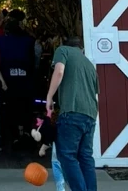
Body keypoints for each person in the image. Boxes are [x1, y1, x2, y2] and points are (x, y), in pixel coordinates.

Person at [45, 36, 99, 191]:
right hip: (90, 115)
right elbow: (94, 93)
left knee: (66, 155)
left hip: (72, 112)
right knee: (86, 157)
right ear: (81, 49)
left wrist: (49, 96)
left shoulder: (63, 51)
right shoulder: (89, 65)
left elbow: (59, 71)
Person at [0, 13, 35, 145]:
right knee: (26, 107)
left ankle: (15, 135)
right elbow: (35, 38)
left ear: (7, 30)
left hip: (9, 79)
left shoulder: (4, 40)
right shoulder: (27, 40)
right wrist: (24, 26)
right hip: (25, 79)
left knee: (11, 108)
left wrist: (1, 21)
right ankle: (27, 132)